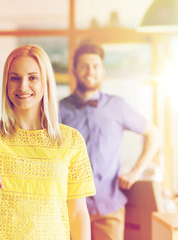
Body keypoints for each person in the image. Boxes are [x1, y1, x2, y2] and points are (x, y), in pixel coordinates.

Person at [0, 45, 96, 240]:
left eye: (33, 77)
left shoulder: (71, 141)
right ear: (6, 83)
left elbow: (77, 213)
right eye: (15, 78)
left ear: (46, 83)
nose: (23, 86)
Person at [59, 43, 161, 240]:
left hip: (110, 207)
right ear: (74, 70)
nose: (90, 72)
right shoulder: (59, 110)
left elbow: (154, 134)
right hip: (70, 208)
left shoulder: (118, 106)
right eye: (84, 66)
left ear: (103, 71)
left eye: (95, 66)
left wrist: (135, 172)